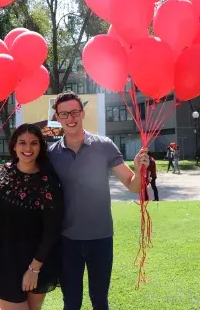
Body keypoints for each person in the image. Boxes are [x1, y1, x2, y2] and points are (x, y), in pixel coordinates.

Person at [47, 91, 149, 310]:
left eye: (75, 112)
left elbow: (133, 185)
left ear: (83, 113)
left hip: (101, 238)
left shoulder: (104, 146)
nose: (70, 118)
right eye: (64, 114)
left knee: (100, 300)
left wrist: (139, 171)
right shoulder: (51, 154)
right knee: (71, 302)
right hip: (66, 240)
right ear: (58, 117)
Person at [0, 124, 63, 310]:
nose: (27, 148)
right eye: (22, 142)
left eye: (34, 143)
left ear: (40, 146)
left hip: (36, 261)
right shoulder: (7, 169)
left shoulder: (48, 182)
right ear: (14, 146)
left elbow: (52, 230)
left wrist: (34, 269)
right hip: (5, 259)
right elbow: (0, 193)